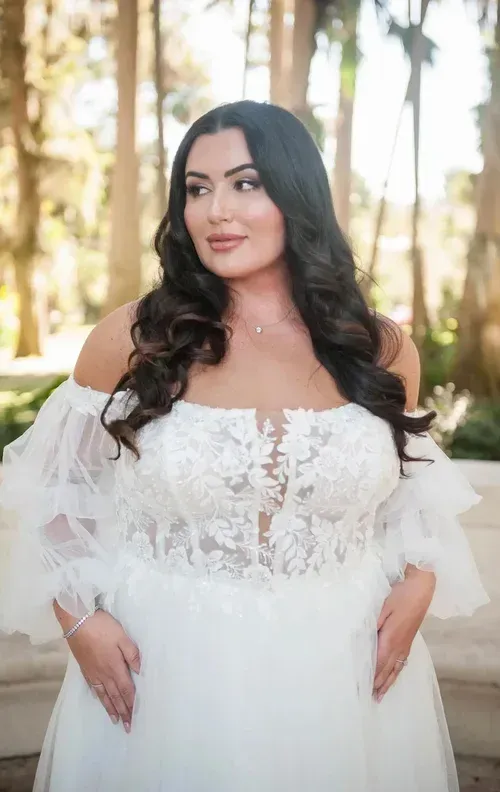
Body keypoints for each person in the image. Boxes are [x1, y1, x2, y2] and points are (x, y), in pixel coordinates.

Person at [0, 100, 489, 792]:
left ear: (297, 195)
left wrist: (419, 581)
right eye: (197, 189)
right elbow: (54, 493)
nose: (216, 211)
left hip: (344, 668)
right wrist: (80, 621)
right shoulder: (134, 340)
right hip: (167, 667)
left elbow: (414, 491)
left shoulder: (377, 347)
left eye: (245, 183)